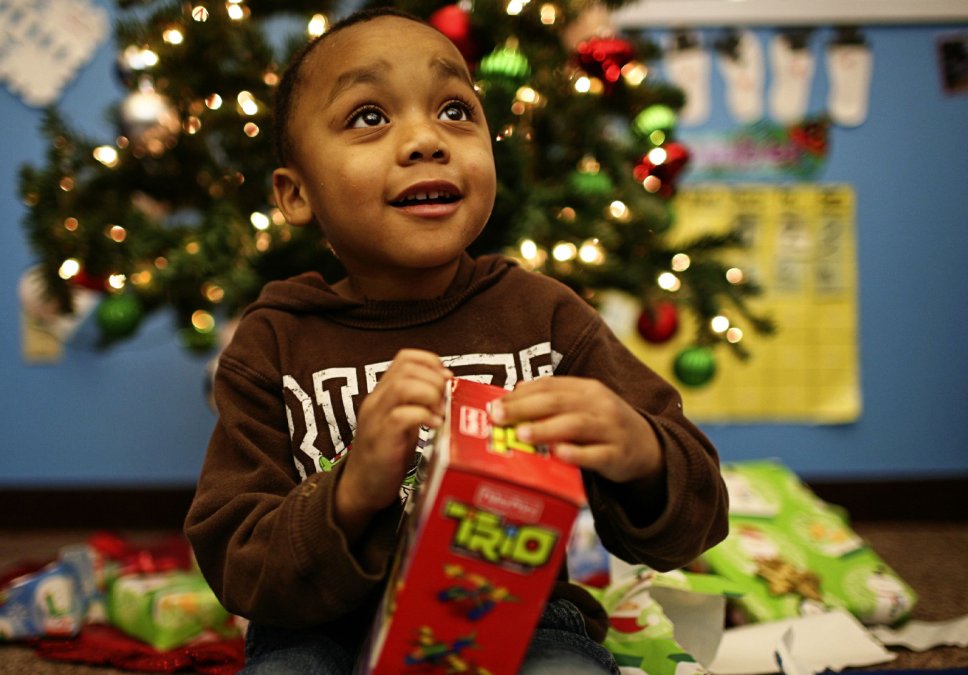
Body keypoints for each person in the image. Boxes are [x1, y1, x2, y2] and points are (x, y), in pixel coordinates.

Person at [184, 9, 728, 674]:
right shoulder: (272, 340)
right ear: (296, 194)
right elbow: (236, 559)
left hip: (521, 616)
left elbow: (699, 517)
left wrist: (643, 452)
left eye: (453, 109)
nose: (425, 140)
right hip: (318, 625)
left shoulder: (546, 314)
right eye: (369, 117)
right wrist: (350, 491)